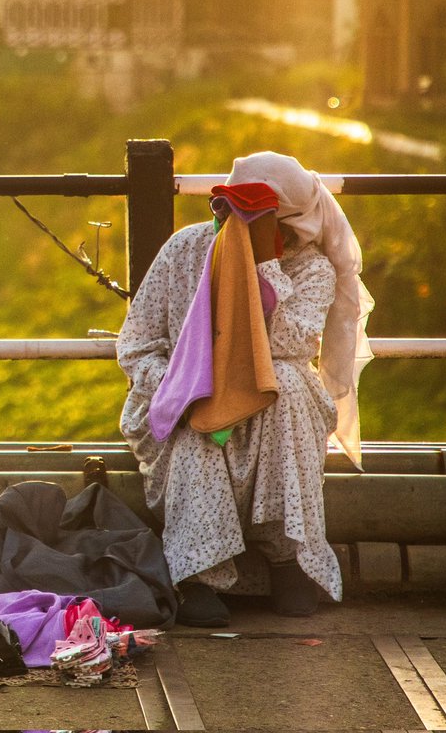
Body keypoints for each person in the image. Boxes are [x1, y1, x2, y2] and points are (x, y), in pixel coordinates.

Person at [116, 152, 373, 627]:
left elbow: (291, 344)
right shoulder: (184, 250)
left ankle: (286, 557)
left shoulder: (312, 269)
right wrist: (184, 380)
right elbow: (136, 345)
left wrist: (263, 267)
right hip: (186, 398)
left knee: (290, 385)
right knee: (205, 401)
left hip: (271, 400)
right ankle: (199, 571)